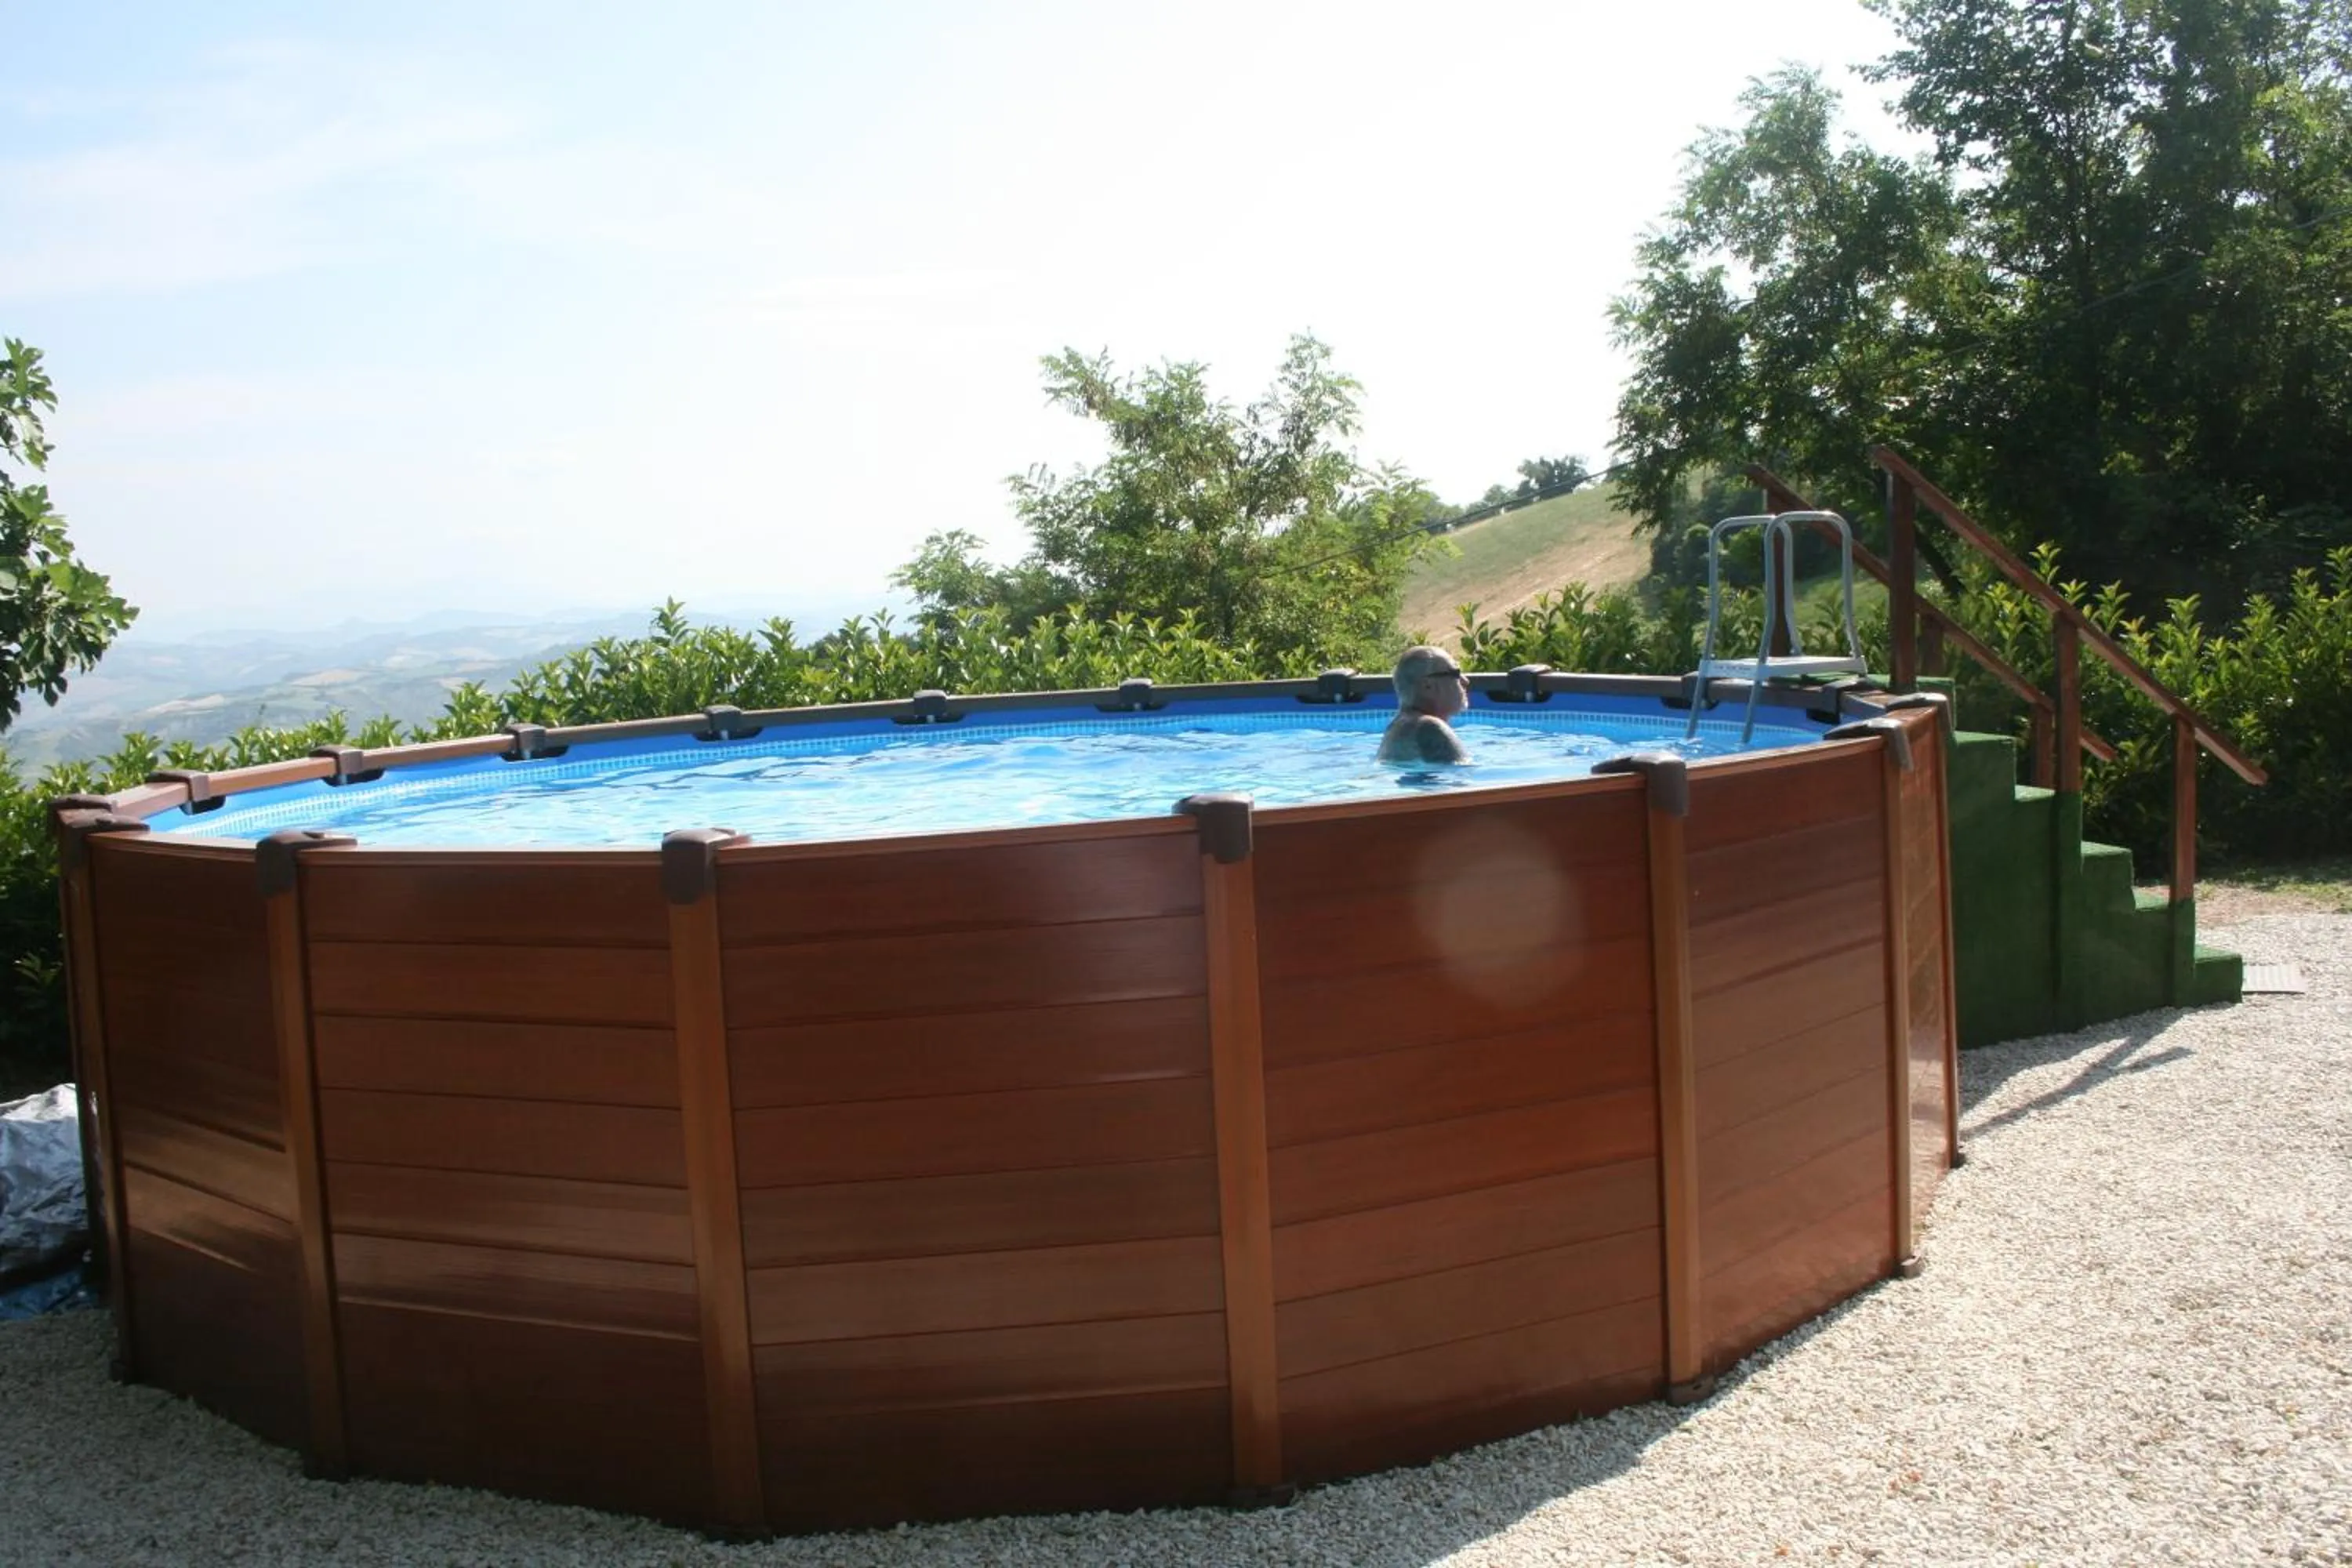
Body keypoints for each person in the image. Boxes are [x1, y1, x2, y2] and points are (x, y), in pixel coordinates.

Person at [1377, 644, 1472, 765]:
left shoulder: (1395, 727)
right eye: (1456, 673)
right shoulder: (1429, 728)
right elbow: (1465, 777)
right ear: (1428, 685)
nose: (1465, 681)